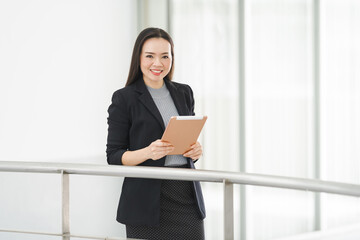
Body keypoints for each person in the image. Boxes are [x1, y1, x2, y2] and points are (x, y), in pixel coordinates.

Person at [106, 27, 206, 240]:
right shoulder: (124, 98)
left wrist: (195, 150)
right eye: (150, 56)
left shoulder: (184, 92)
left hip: (186, 196)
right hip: (145, 201)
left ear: (172, 58)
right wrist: (148, 152)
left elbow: (187, 143)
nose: (158, 63)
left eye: (165, 56)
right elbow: (114, 156)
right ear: (138, 58)